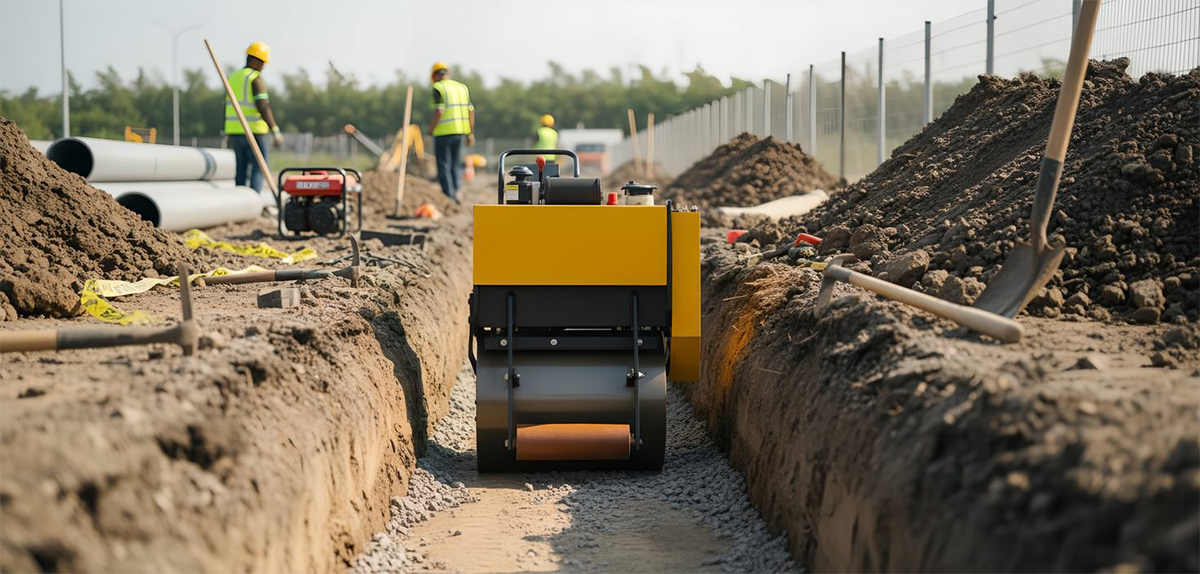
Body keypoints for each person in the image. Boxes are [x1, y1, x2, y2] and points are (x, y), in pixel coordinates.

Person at [225, 41, 283, 194]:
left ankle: (239, 203)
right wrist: (275, 130)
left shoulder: (233, 77)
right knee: (260, 168)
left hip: (235, 132)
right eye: (263, 62)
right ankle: (253, 203)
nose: (263, 66)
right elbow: (263, 106)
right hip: (254, 132)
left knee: (241, 169)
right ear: (255, 60)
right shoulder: (255, 78)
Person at [428, 62, 475, 202]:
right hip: (461, 132)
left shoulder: (438, 87)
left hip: (443, 133)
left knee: (443, 165)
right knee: (456, 164)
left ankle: (448, 197)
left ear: (435, 75)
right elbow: (471, 111)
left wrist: (430, 130)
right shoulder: (462, 87)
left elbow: (439, 110)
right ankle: (457, 191)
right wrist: (470, 132)